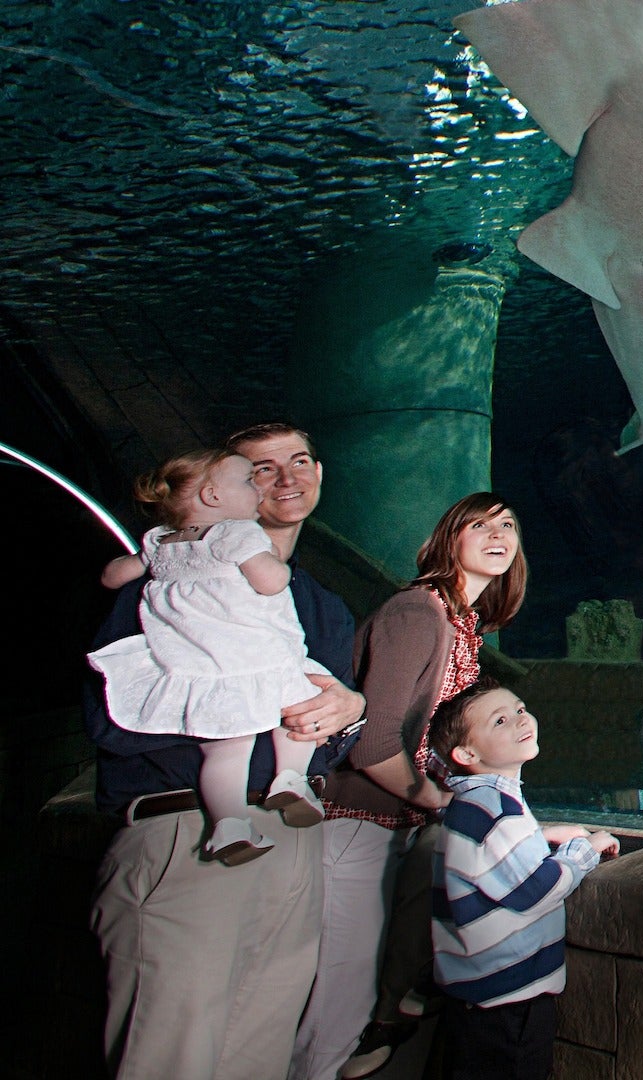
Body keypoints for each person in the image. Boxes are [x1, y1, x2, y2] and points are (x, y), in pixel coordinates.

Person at [86, 422, 365, 1080]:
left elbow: (330, 731)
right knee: (170, 1061)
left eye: (301, 461)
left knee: (258, 1060)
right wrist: (239, 711)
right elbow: (113, 720)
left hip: (293, 843)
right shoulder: (163, 586)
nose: (286, 478)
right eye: (261, 468)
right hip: (187, 835)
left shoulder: (320, 604)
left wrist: (350, 711)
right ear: (213, 490)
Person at [291, 492, 528, 1080]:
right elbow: (372, 744)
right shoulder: (417, 613)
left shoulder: (462, 624)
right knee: (337, 1007)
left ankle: (395, 1012)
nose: (498, 534)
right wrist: (439, 799)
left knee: (368, 1002)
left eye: (507, 525)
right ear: (449, 539)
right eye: (479, 525)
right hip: (358, 824)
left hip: (401, 828)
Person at [89, 448, 329, 864]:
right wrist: (279, 568)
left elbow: (112, 576)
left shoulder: (161, 542)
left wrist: (142, 563)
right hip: (259, 656)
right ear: (213, 496)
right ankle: (291, 779)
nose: (259, 488)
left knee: (224, 750)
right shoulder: (236, 534)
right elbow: (270, 582)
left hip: (198, 668)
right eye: (249, 480)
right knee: (300, 709)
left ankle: (229, 824)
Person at [425, 677, 617, 1080]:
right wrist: (584, 850)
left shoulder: (475, 801)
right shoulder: (499, 810)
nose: (520, 719)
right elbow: (536, 889)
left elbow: (488, 857)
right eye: (500, 720)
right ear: (467, 753)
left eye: (519, 709)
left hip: (478, 995)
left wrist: (541, 836)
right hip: (508, 999)